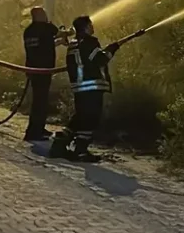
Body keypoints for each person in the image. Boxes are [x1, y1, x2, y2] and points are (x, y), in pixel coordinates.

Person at [49, 15, 144, 162]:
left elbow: (89, 59)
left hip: (79, 87)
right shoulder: (90, 42)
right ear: (86, 27)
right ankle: (81, 151)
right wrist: (110, 51)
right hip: (91, 86)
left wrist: (111, 48)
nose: (93, 27)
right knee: (90, 119)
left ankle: (60, 144)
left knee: (79, 117)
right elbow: (100, 60)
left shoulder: (74, 44)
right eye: (91, 25)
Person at [21, 7, 67, 142]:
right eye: (44, 14)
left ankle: (37, 128)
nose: (46, 16)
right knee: (40, 102)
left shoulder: (29, 31)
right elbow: (58, 32)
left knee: (38, 100)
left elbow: (45, 44)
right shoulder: (46, 27)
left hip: (33, 70)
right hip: (43, 70)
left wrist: (59, 41)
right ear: (40, 15)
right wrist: (69, 32)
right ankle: (34, 133)